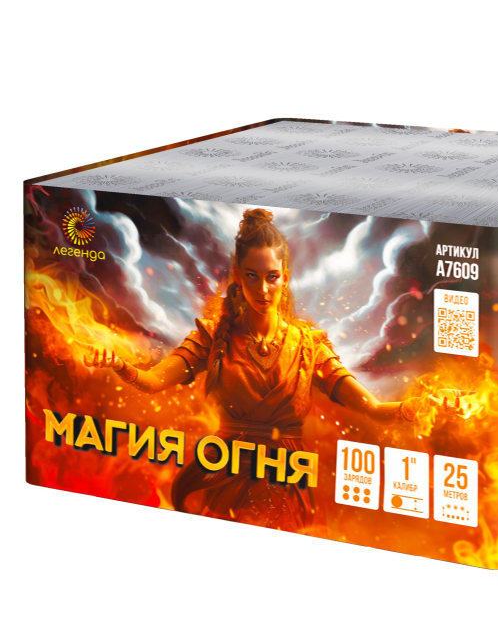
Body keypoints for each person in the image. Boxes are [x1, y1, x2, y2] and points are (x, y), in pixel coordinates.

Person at [84, 208, 423, 531]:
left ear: (284, 278)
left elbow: (372, 408)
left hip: (285, 483)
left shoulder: (309, 346)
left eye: (272, 278)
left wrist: (414, 407)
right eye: (252, 276)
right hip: (224, 476)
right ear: (237, 275)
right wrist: (119, 364)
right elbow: (154, 381)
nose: (262, 290)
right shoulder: (213, 335)